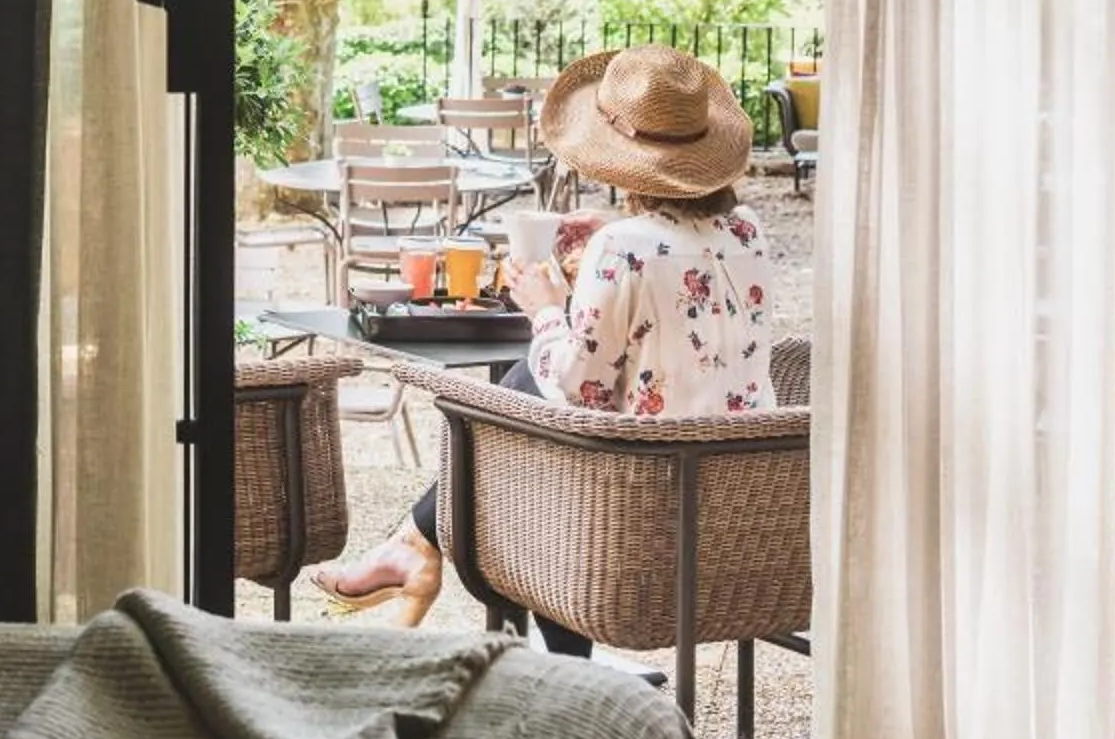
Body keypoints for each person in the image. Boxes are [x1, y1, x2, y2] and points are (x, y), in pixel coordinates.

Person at [310, 44, 777, 628]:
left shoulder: (624, 250)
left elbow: (578, 387)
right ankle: (412, 545)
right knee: (518, 396)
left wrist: (547, 308)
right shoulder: (749, 232)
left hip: (639, 512)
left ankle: (416, 547)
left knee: (509, 411)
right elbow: (684, 254)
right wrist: (616, 229)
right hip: (752, 511)